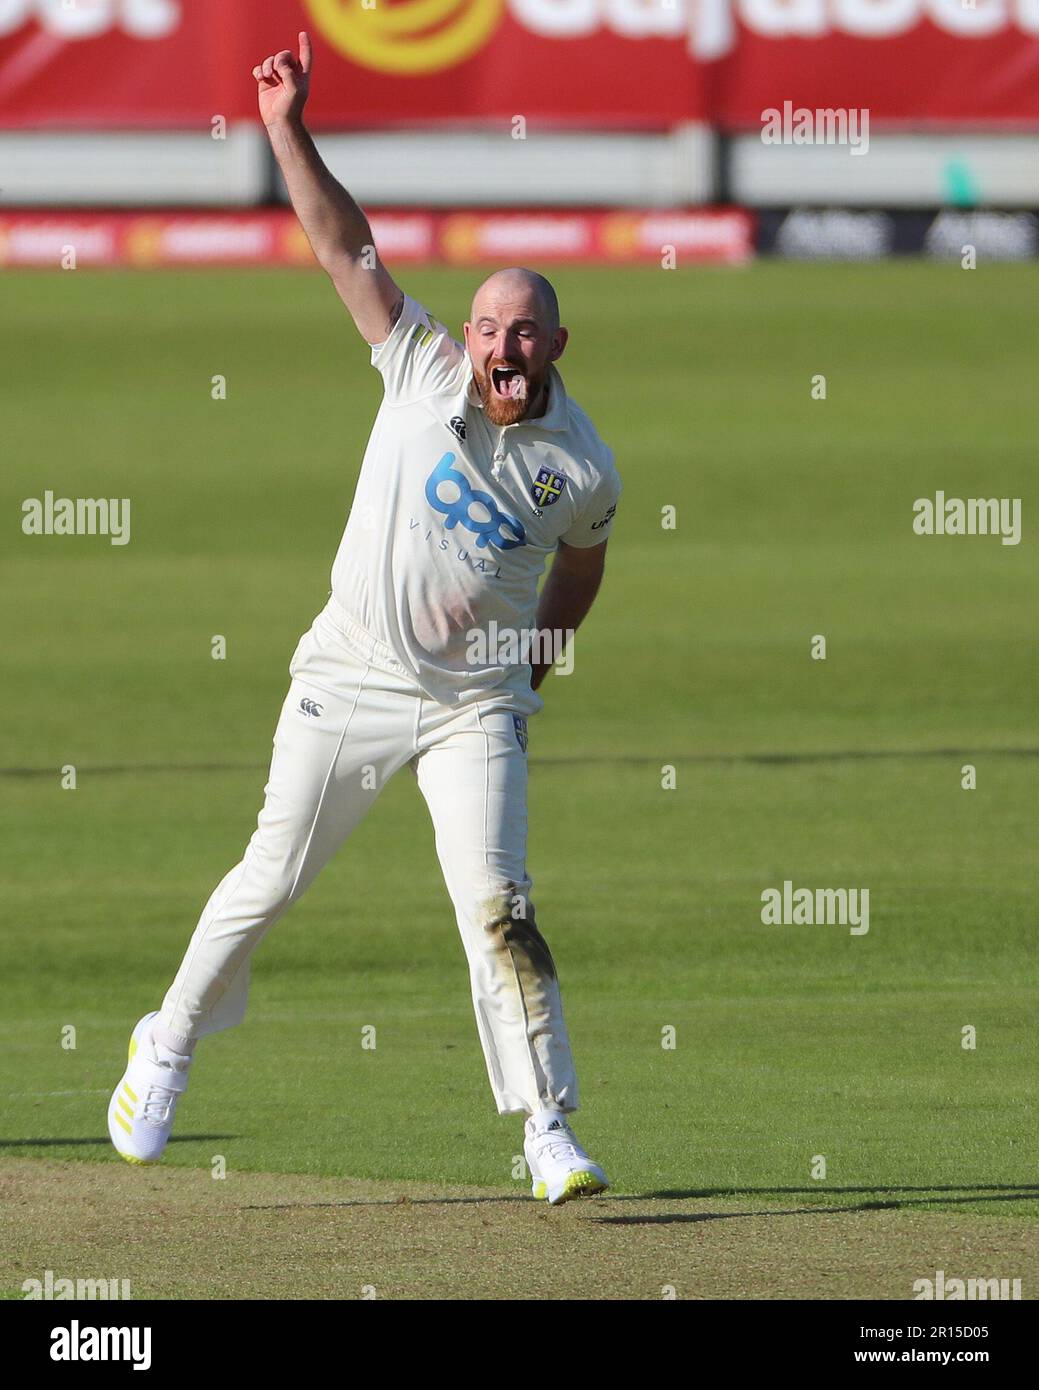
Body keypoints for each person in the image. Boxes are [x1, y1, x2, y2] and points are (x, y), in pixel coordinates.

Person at [108, 31, 621, 1206]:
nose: (500, 346)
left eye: (523, 332)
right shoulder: (419, 362)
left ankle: (545, 1127)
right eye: (488, 327)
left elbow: (584, 574)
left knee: (500, 908)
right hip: (350, 673)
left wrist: (534, 663)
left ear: (554, 347)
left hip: (473, 705)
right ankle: (166, 1044)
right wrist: (287, 124)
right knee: (270, 878)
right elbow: (342, 242)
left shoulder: (583, 466)